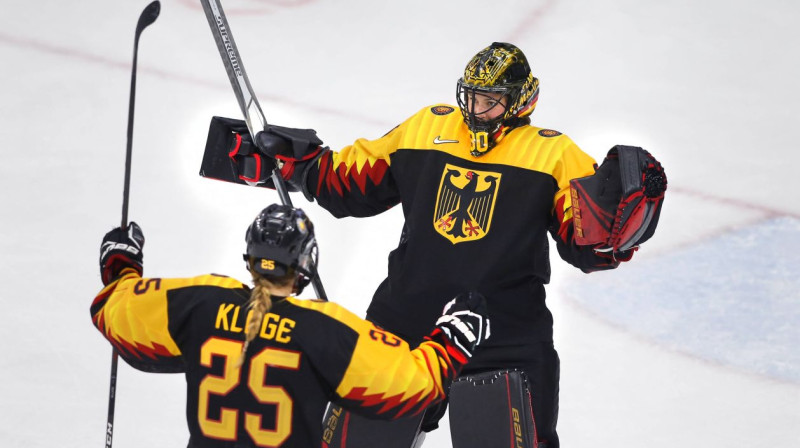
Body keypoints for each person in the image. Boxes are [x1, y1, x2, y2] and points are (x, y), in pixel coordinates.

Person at [208, 42, 646, 448]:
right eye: (472, 96)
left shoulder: (553, 154)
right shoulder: (427, 127)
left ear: (519, 101)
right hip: (405, 325)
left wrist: (620, 227)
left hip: (503, 339)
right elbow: (354, 183)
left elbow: (586, 241)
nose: (476, 108)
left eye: (490, 100)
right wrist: (299, 164)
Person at [91, 204, 490, 448]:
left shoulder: (201, 301)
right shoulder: (323, 327)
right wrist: (454, 336)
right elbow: (408, 385)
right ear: (304, 264)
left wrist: (121, 267)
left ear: (250, 256)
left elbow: (120, 311)